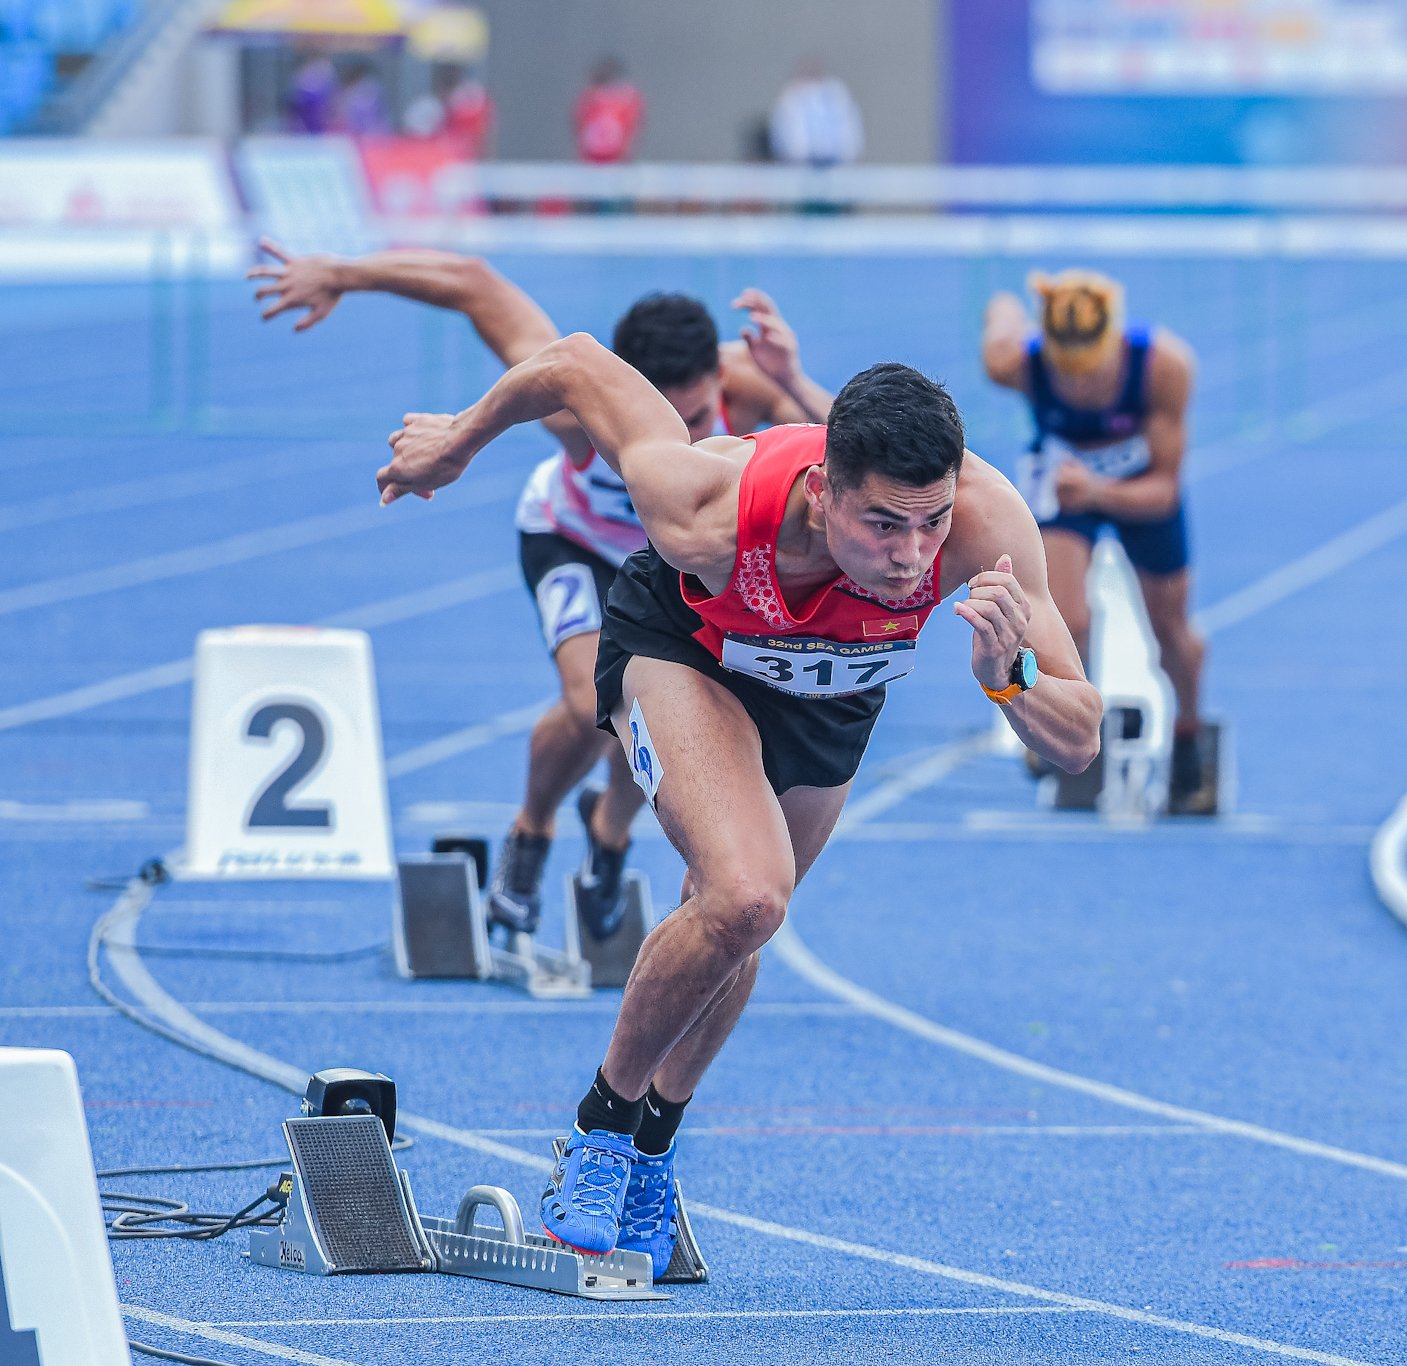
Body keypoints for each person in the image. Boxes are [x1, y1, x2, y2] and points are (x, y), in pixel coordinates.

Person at [377, 340, 1102, 1267]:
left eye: (931, 525)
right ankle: (598, 1133)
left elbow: (1079, 738)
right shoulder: (705, 505)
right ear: (821, 491)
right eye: (882, 524)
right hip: (689, 650)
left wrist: (1011, 681)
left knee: (737, 922)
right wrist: (461, 441)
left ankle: (651, 1149)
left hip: (834, 691)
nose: (912, 556)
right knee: (748, 890)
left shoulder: (989, 526)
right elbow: (576, 365)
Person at [247, 240, 836, 942]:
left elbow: (864, 463)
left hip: (684, 566)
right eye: (662, 426)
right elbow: (474, 283)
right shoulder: (580, 404)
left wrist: (797, 382)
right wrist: (339, 271)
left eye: (699, 421)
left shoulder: (753, 388)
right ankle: (531, 829)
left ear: (719, 380)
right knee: (594, 699)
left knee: (653, 720)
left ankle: (609, 829)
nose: (683, 446)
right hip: (575, 541)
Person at [980, 268, 1219, 814]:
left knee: (1173, 631)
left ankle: (1188, 736)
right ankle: (1061, 721)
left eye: (1092, 370)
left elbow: (1163, 492)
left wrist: (1096, 487)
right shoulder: (1016, 365)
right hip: (1065, 494)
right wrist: (1004, 306)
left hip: (1137, 492)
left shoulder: (1164, 368)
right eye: (1068, 371)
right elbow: (999, 326)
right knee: (1065, 620)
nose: (1080, 383)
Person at [768, 59, 864, 168]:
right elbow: (783, 132)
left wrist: (848, 154)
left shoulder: (837, 95)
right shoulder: (790, 98)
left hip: (836, 162)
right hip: (799, 163)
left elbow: (849, 128)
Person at [575, 57, 643, 165]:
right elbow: (579, 127)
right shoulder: (588, 100)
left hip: (615, 162)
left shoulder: (628, 101)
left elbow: (631, 130)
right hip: (592, 162)